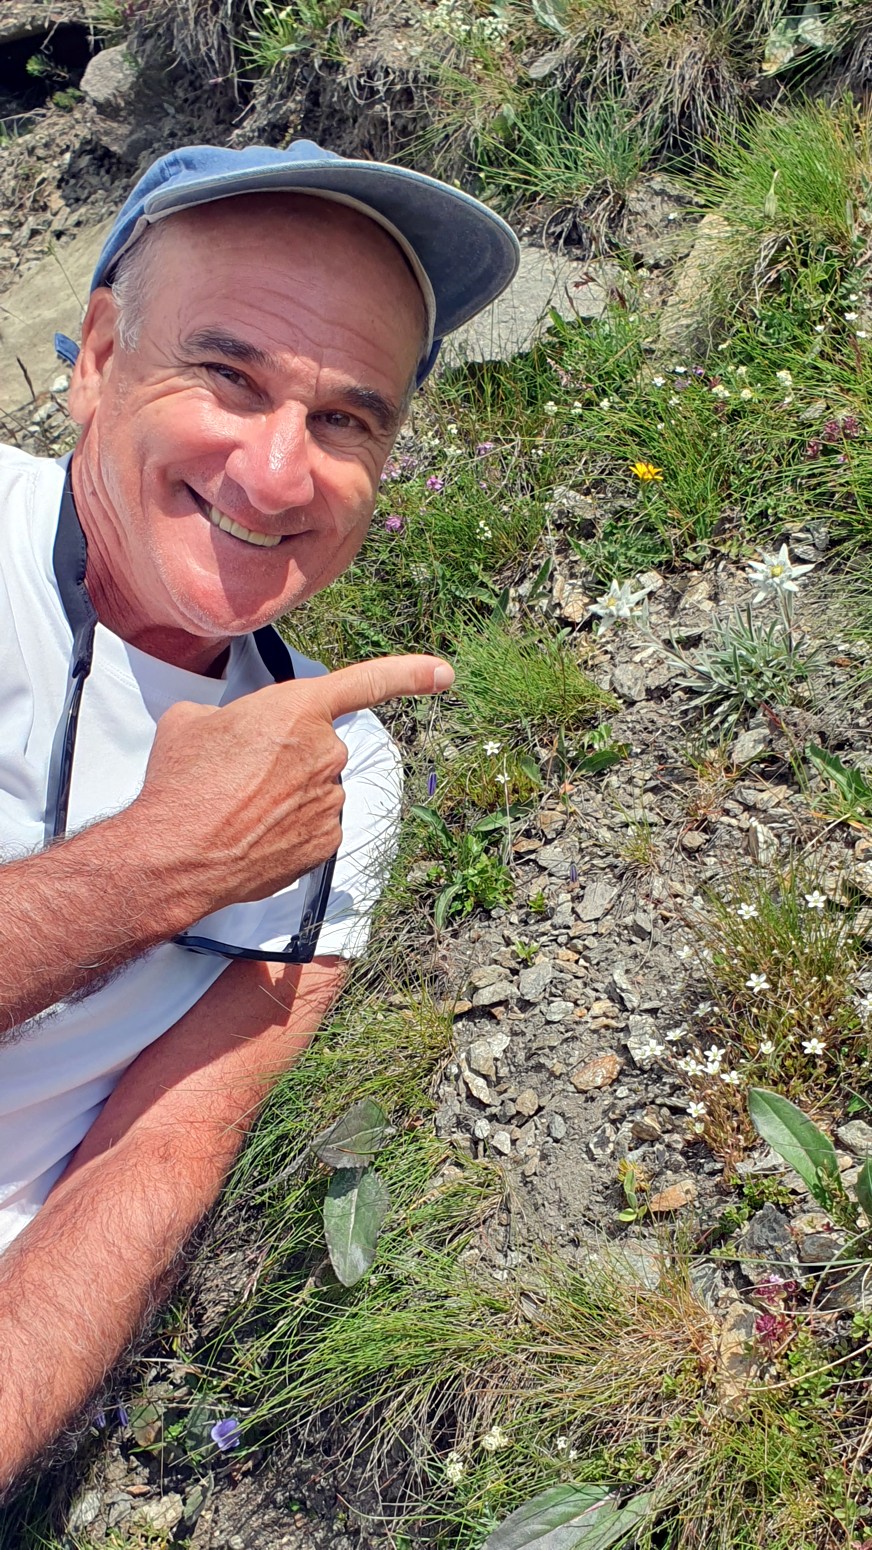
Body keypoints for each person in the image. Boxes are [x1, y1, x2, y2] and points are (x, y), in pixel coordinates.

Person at [0, 140, 519, 1487]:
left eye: (346, 420)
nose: (279, 474)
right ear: (99, 357)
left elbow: (163, 1147)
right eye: (228, 376)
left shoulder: (341, 773)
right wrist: (160, 867)